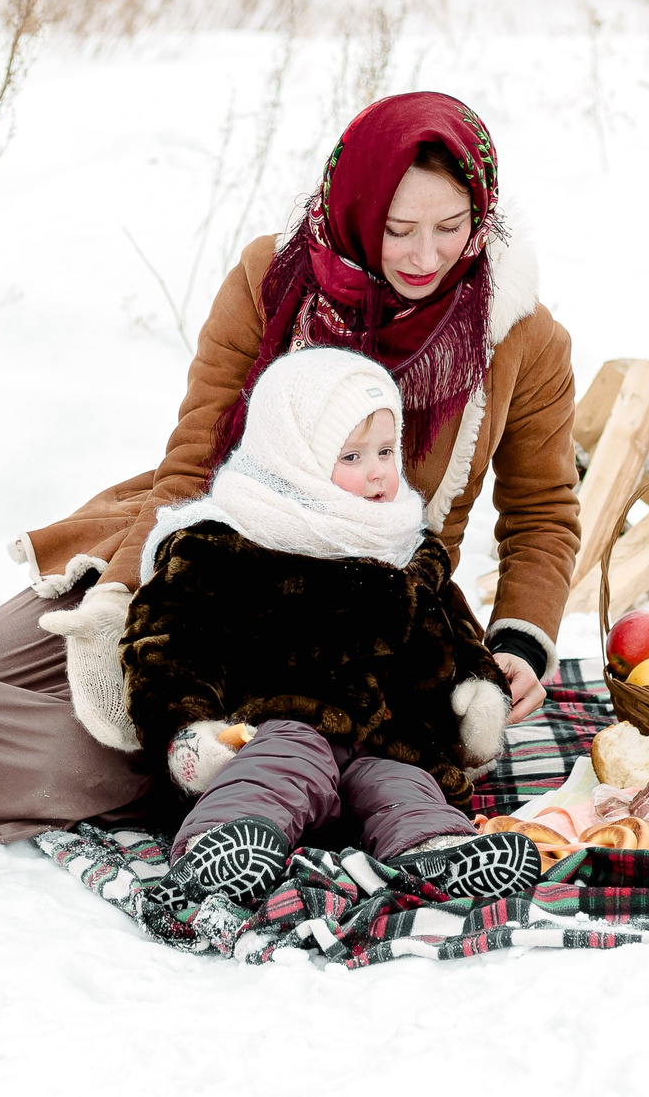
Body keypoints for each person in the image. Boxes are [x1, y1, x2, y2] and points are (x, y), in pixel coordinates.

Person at [0, 93, 582, 855]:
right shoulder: (270, 280)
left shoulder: (521, 340)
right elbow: (193, 459)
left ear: (484, 211)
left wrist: (514, 645)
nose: (425, 255)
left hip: (345, 620)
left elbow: (542, 513)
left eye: (451, 224)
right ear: (357, 205)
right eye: (398, 228)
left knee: (78, 759)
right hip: (201, 552)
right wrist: (114, 604)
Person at [123, 348, 541, 908]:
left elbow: (455, 633)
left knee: (407, 784)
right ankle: (222, 846)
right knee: (278, 766)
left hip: (389, 740)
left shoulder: (408, 548)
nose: (378, 472)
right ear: (293, 458)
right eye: (352, 456)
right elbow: (170, 645)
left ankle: (436, 852)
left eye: (387, 451)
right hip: (279, 725)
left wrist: (477, 692)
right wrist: (188, 726)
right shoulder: (230, 545)